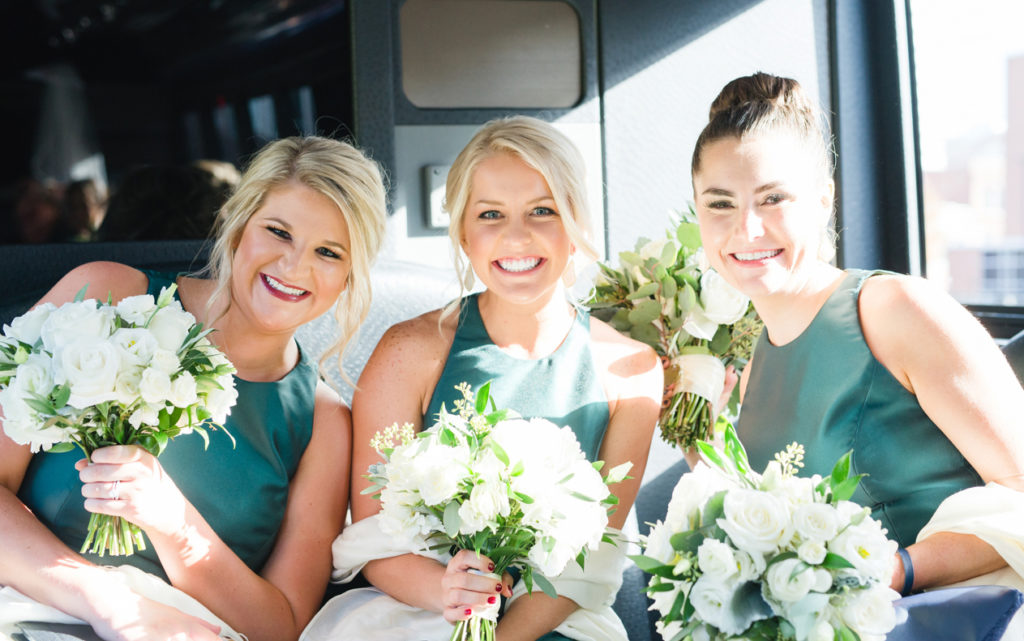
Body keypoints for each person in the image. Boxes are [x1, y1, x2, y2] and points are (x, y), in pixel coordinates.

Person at [0, 135, 388, 641]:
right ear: (236, 224)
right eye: (278, 232)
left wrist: (172, 521)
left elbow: (282, 625)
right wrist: (109, 603)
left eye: (329, 252)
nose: (295, 266)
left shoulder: (324, 422)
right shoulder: (104, 295)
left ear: (351, 275)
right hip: (32, 608)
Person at [302, 116, 663, 641]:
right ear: (463, 233)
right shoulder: (408, 352)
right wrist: (450, 595)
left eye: (543, 210)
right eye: (491, 214)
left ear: (576, 223)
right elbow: (374, 540)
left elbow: (593, 560)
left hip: (557, 620)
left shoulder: (631, 373)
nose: (516, 236)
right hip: (421, 613)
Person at [689, 72, 1024, 597]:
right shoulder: (754, 369)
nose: (746, 229)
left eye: (773, 198)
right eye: (720, 203)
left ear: (823, 200)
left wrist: (895, 571)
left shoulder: (897, 310)